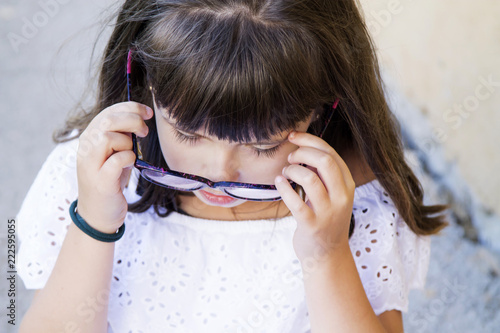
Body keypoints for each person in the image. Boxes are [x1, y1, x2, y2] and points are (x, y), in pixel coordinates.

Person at [17, 0, 447, 332]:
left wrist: (327, 253)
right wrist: (95, 221)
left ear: (323, 109)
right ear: (141, 78)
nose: (219, 170)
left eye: (260, 146)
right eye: (187, 133)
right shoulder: (96, 175)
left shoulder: (359, 205)